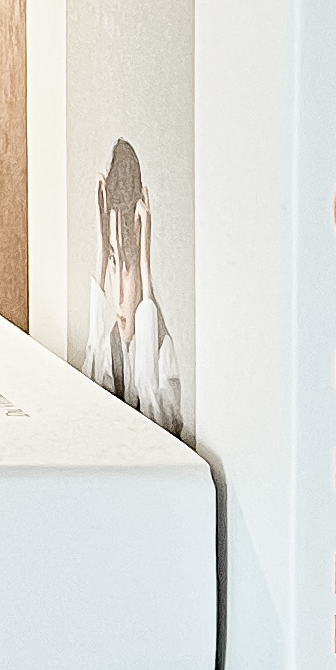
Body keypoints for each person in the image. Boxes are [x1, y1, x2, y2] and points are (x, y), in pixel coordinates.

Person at [88, 135, 187, 441]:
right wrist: (106, 253)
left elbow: (156, 421)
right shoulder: (110, 348)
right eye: (115, 263)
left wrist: (141, 258)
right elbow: (89, 380)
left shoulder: (161, 353)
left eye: (125, 268)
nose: (118, 296)